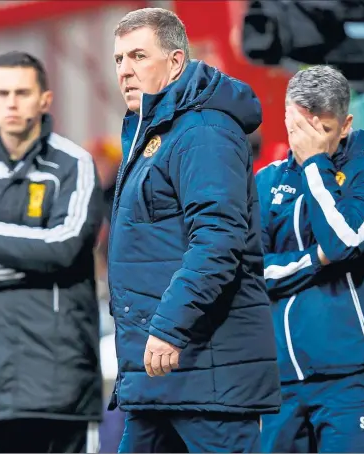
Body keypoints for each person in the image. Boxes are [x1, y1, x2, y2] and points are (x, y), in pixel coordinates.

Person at [108, 7, 281, 453]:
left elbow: (218, 241)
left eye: (138, 56)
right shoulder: (156, 134)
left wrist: (168, 327)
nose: (125, 70)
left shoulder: (203, 131)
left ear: (176, 62)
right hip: (162, 376)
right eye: (119, 59)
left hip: (206, 373)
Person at [0, 51, 104, 453]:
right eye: (2, 93)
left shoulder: (74, 165)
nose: (11, 102)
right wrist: (33, 258)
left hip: (61, 373)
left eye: (22, 92)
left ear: (45, 99)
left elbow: (63, 248)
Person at [256, 65, 364, 453]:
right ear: (285, 116)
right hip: (279, 380)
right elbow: (252, 271)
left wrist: (315, 165)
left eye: (323, 132)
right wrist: (314, 260)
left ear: (346, 124)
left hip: (353, 377)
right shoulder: (265, 182)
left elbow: (342, 241)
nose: (307, 141)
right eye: (299, 129)